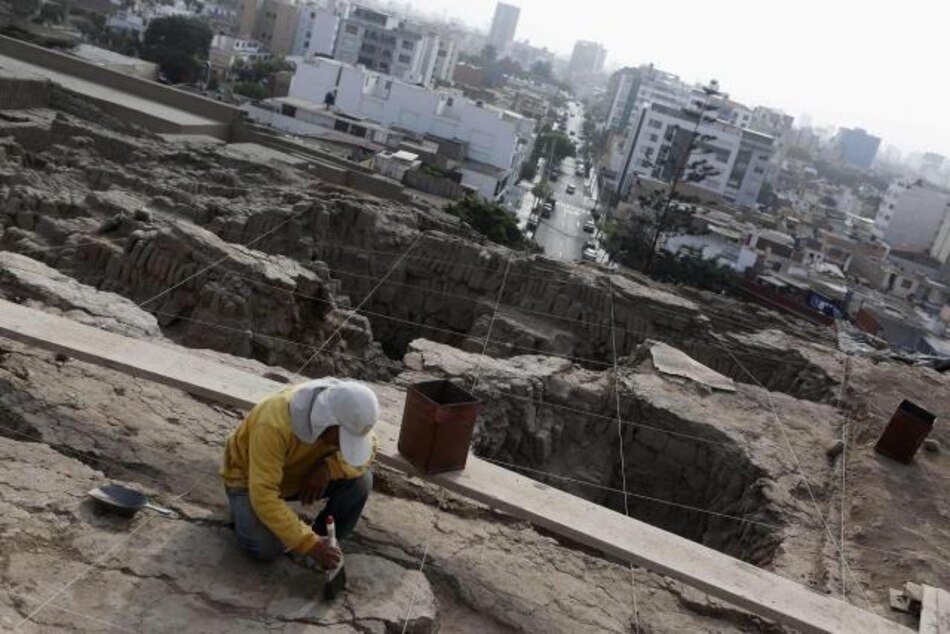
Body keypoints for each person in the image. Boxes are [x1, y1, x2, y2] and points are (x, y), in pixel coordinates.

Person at [220, 378, 379, 569]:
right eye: (343, 440)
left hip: (298, 474)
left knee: (360, 482)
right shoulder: (273, 423)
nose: (344, 446)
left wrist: (328, 468)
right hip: (249, 479)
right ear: (329, 422)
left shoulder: (348, 411)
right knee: (266, 547)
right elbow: (264, 495)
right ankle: (243, 510)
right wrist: (308, 543)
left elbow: (369, 449)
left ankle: (324, 539)